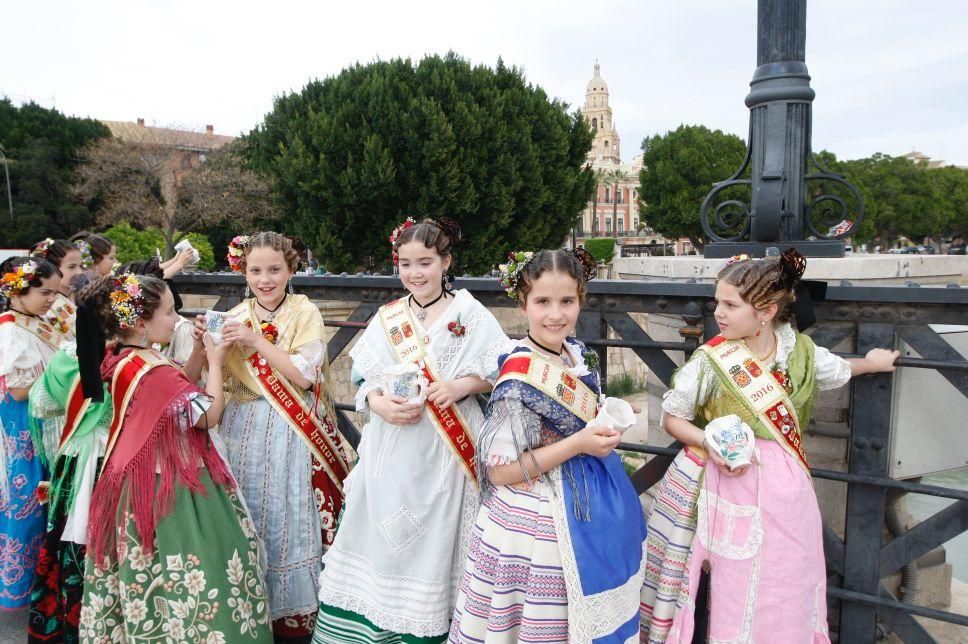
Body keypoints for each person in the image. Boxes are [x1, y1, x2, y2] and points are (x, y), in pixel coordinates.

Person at [640, 249, 899, 643]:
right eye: (717, 303)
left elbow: (839, 369)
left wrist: (873, 363)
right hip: (725, 481)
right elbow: (672, 418)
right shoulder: (711, 360)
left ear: (766, 310)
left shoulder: (800, 353)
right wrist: (709, 441)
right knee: (724, 581)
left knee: (787, 575)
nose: (719, 313)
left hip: (786, 488)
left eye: (730, 304)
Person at [314, 218, 507, 643]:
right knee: (385, 533)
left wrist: (461, 385)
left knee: (439, 536)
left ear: (446, 261)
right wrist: (381, 405)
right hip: (394, 447)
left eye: (425, 262)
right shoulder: (388, 319)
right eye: (405, 263)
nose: (415, 272)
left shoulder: (470, 313)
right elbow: (364, 382)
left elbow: (500, 371)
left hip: (448, 453)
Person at [448, 249, 647, 643]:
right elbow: (499, 471)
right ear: (523, 304)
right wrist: (580, 442)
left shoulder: (578, 353)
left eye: (566, 301)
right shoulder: (516, 378)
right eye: (542, 302)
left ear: (581, 301)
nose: (555, 314)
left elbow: (582, 420)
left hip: (592, 497)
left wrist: (604, 424)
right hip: (537, 522)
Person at [75, 272, 273, 642]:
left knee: (151, 576)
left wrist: (197, 353)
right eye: (168, 312)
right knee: (204, 568)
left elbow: (177, 389)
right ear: (139, 322)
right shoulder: (153, 370)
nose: (176, 320)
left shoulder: (126, 357)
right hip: (172, 485)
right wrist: (217, 362)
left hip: (138, 481)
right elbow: (207, 415)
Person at [210, 231, 352, 641]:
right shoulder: (235, 315)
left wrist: (255, 340)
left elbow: (305, 376)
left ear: (291, 269)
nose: (265, 279)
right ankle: (251, 607)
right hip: (245, 431)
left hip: (293, 435)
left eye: (275, 269)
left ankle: (296, 620)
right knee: (253, 513)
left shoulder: (304, 312)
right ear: (244, 272)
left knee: (292, 515)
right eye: (255, 270)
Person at [0, 257, 69, 610]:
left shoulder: (36, 322)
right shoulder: (10, 330)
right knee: (26, 502)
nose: (51, 300)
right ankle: (17, 584)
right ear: (17, 289)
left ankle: (37, 581)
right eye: (44, 292)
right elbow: (17, 389)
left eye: (54, 293)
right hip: (24, 427)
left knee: (41, 501)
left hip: (43, 422)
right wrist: (63, 373)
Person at [30, 239, 84, 340]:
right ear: (52, 269)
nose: (79, 272)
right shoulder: (46, 307)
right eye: (72, 267)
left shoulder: (74, 297)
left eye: (80, 266)